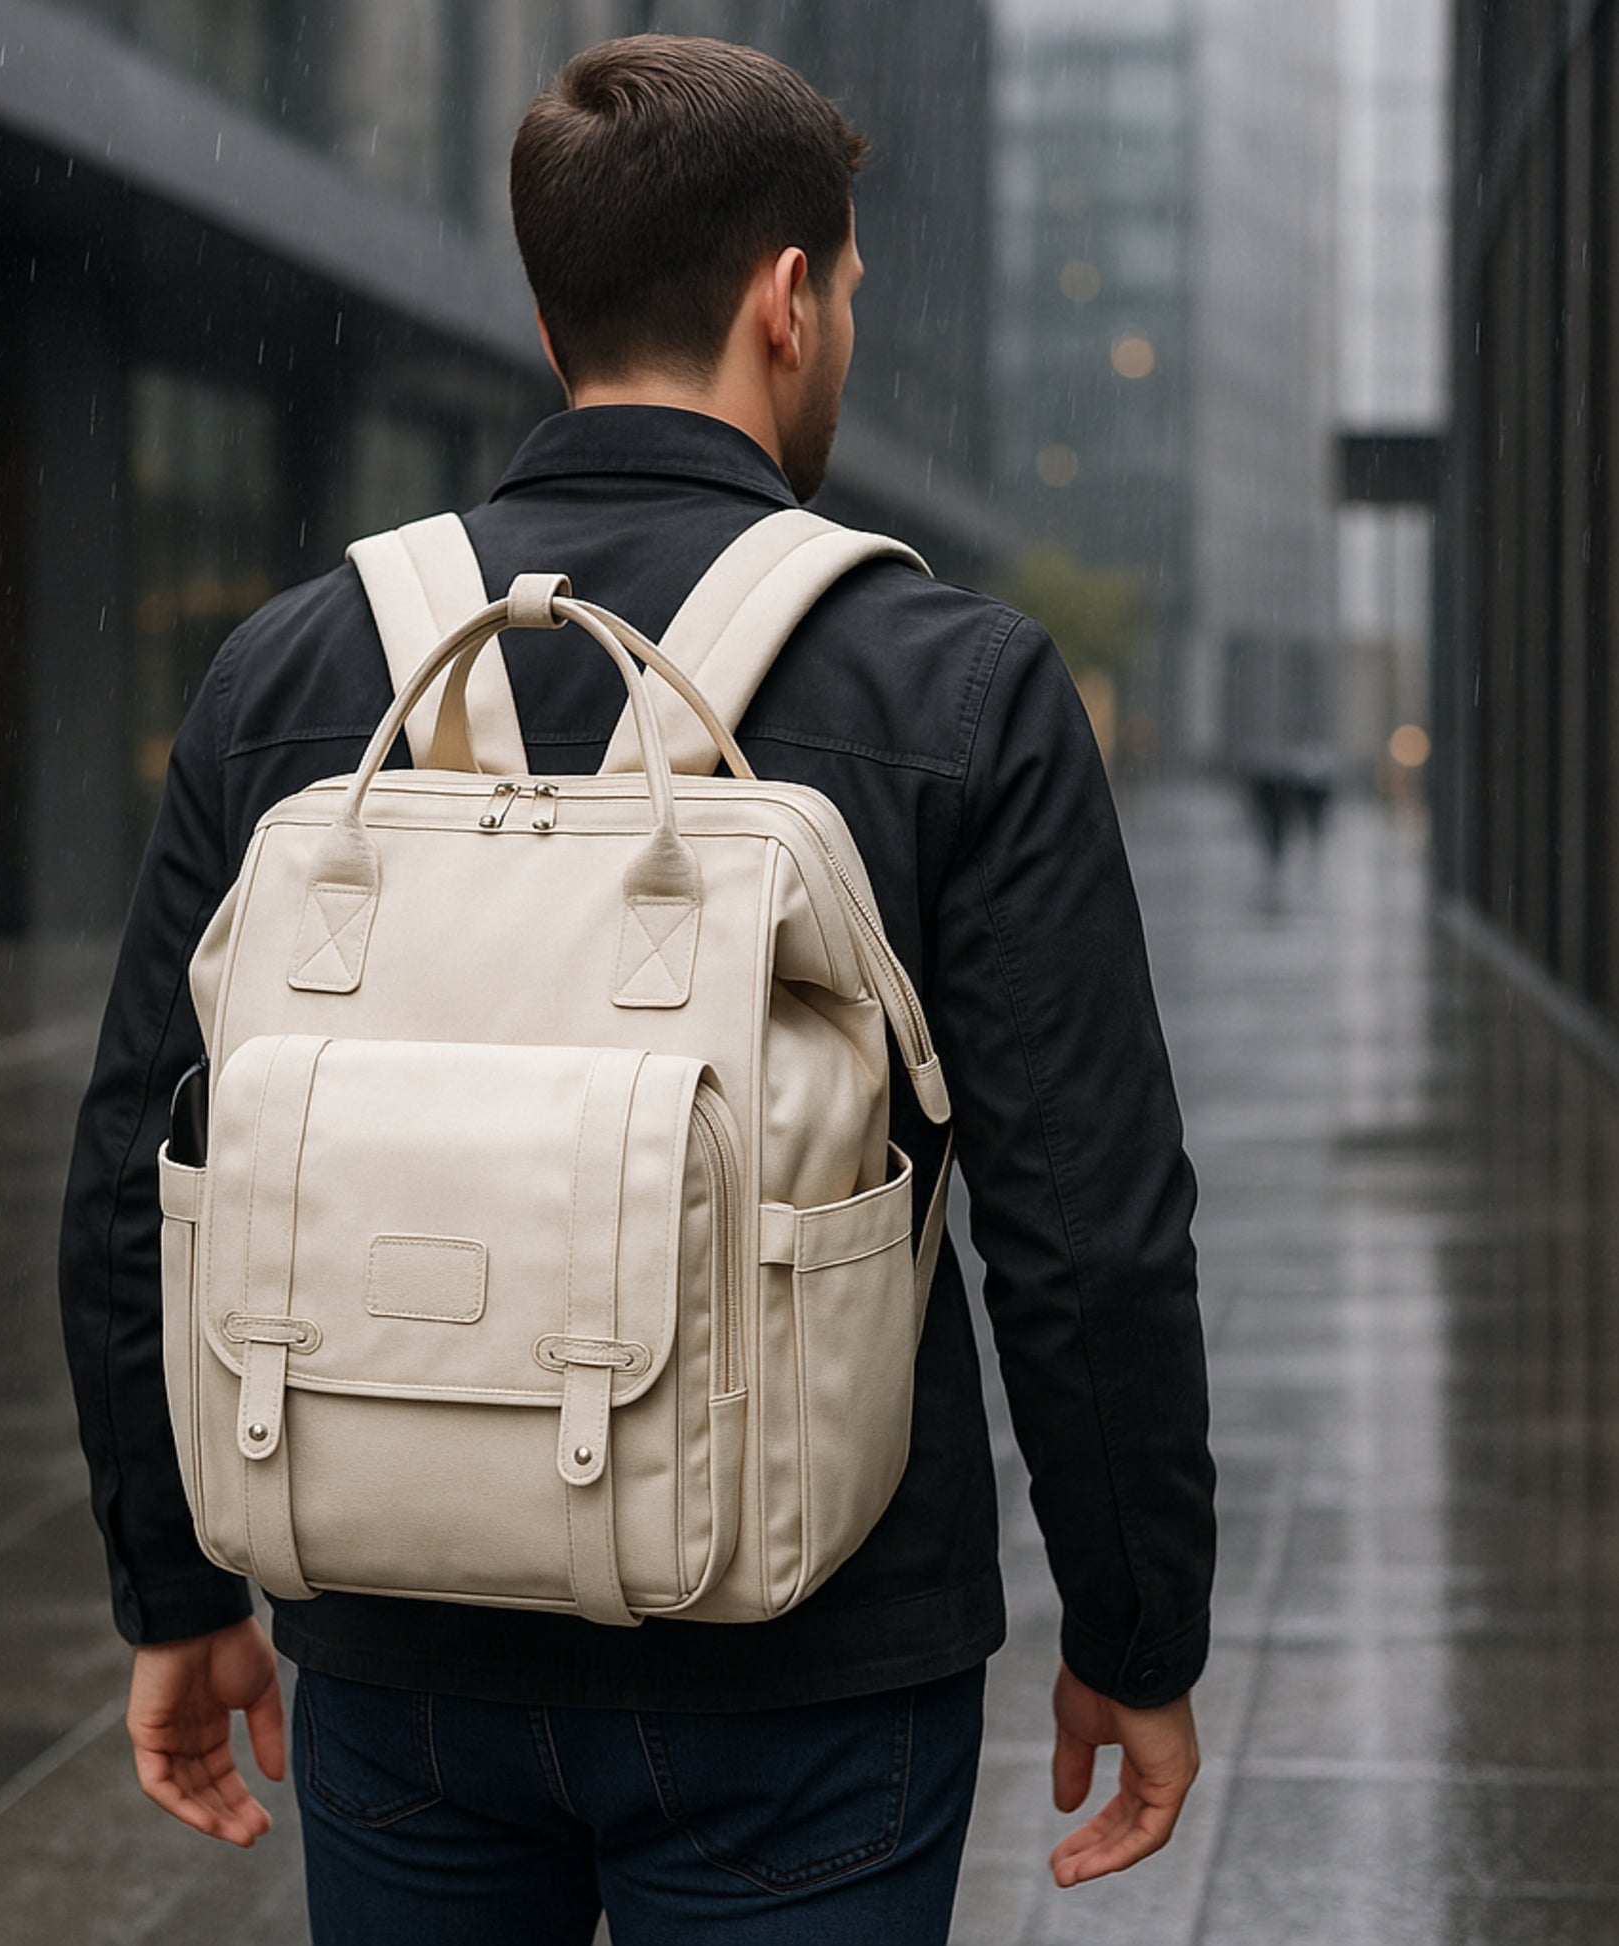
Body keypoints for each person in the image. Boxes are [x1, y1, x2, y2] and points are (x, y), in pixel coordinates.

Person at [60, 33, 1215, 1944]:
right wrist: (1136, 1623)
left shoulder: (292, 668)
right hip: (810, 1660)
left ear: (544, 318)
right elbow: (1085, 1225)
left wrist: (173, 1589)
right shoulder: (956, 685)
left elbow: (135, 1165)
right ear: (786, 299)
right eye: (841, 290)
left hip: (394, 1636)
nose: (838, 320)